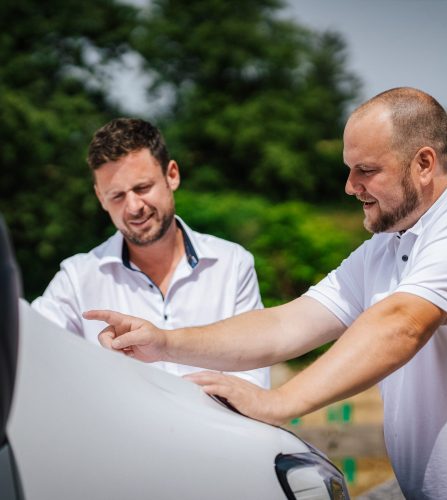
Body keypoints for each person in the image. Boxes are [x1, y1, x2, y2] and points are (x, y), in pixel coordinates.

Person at [84, 89, 447, 500]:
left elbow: (402, 323)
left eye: (365, 170)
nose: (349, 186)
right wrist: (165, 343)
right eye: (348, 169)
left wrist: (279, 402)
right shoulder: (387, 246)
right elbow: (289, 323)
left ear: (424, 163)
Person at [32, 118, 270, 388]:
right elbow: (28, 348)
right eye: (117, 196)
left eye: (142, 188)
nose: (133, 207)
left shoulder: (232, 264)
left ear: (172, 175)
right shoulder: (77, 278)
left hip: (216, 429)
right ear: (100, 197)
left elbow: (252, 380)